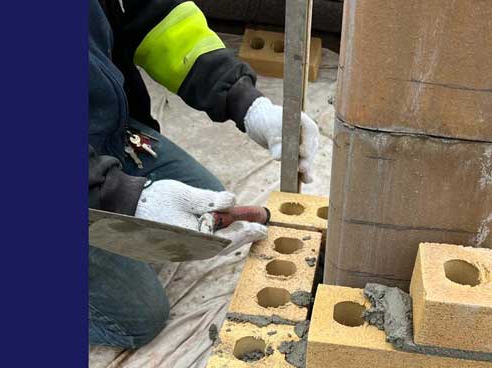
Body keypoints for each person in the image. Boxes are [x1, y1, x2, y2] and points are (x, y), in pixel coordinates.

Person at [89, 0, 320, 348]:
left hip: (106, 135)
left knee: (206, 211)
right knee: (138, 315)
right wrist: (120, 195)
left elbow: (156, 18)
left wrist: (245, 101)